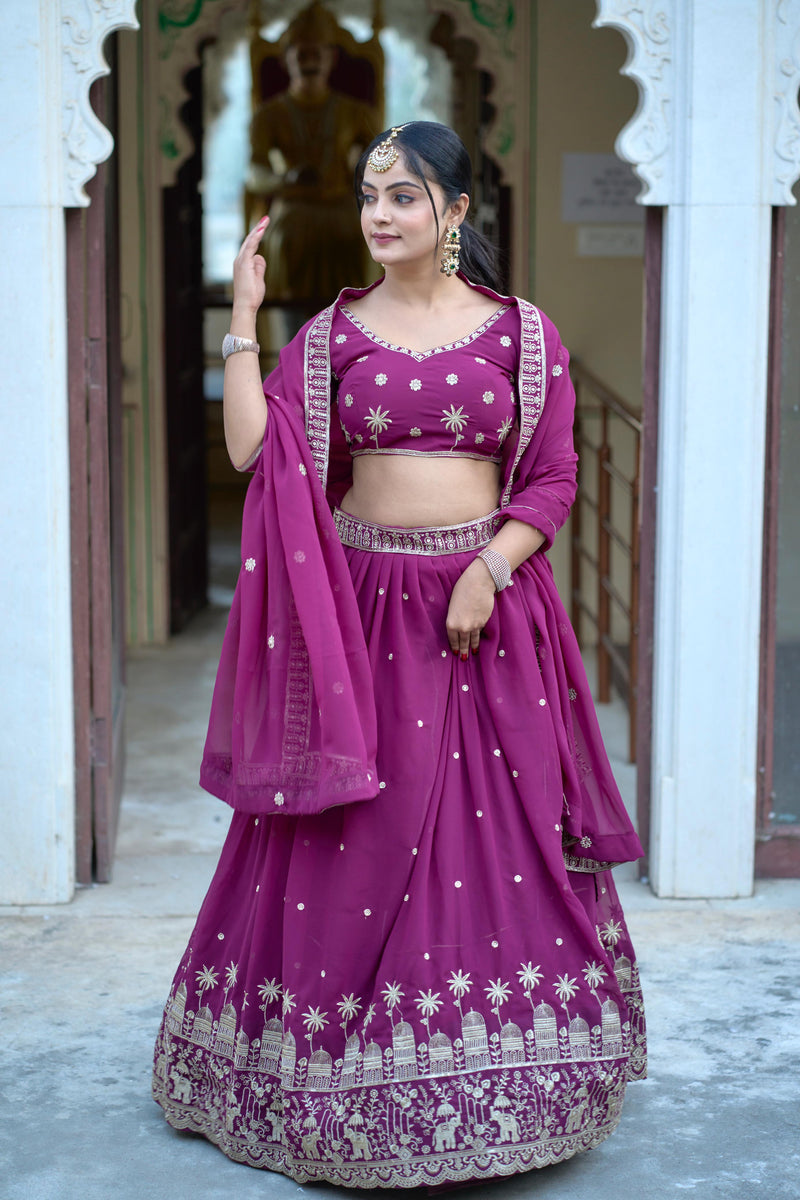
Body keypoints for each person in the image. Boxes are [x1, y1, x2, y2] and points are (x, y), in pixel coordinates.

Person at [152, 121, 646, 1191]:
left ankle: (512, 1077)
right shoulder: (331, 339)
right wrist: (241, 317)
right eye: (369, 196)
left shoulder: (522, 336)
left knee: (502, 836)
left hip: (488, 614)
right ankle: (335, 1078)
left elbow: (551, 480)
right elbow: (254, 451)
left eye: (403, 197)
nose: (379, 215)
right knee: (360, 839)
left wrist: (488, 566)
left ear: (455, 213)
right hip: (365, 616)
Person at [247, 1, 379, 341]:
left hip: (342, 210)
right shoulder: (269, 115)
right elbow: (254, 170)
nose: (309, 61)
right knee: (288, 237)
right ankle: (294, 352)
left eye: (317, 52)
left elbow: (383, 159)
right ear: (286, 58)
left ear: (331, 58)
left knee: (360, 238)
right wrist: (284, 180)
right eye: (301, 53)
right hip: (294, 212)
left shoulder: (355, 112)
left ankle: (348, 354)